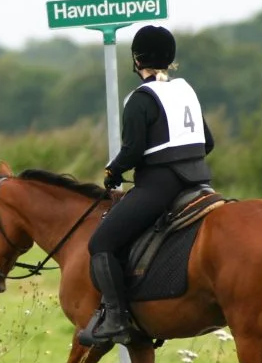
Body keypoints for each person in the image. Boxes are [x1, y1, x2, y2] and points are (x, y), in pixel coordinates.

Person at [81, 24, 215, 346]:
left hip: (160, 187)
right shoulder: (186, 90)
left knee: (101, 243)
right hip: (198, 181)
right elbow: (207, 141)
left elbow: (133, 151)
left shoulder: (140, 98)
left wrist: (113, 172)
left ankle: (115, 317)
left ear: (136, 59)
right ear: (170, 59)